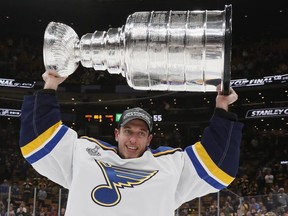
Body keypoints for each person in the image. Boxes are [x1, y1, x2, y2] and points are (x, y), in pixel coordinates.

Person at [19, 70, 243, 216]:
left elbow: (218, 166)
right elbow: (39, 142)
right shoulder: (84, 153)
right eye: (128, 131)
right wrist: (50, 86)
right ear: (117, 133)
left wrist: (222, 106)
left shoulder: (171, 164)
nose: (133, 139)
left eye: (141, 133)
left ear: (150, 139)